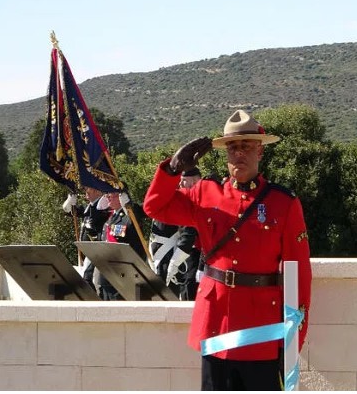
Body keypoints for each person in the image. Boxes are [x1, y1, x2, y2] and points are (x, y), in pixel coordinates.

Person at [143, 109, 312, 390]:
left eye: (246, 147)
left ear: (260, 151)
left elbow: (300, 275)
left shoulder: (283, 203)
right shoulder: (206, 193)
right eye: (233, 147)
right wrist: (172, 169)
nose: (239, 154)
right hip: (216, 324)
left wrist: (293, 336)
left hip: (261, 332)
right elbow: (154, 207)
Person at [149, 167, 202, 300]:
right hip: (183, 258)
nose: (180, 184)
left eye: (184, 181)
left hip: (195, 257)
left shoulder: (196, 201)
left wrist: (175, 261)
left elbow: (188, 233)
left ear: (196, 181)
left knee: (188, 297)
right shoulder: (184, 199)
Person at [98, 188, 149, 300]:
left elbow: (135, 218)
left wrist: (128, 205)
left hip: (124, 274)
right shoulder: (111, 217)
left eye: (112, 194)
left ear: (121, 196)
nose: (108, 196)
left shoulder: (130, 214)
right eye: (107, 193)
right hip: (108, 272)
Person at [61, 186, 111, 291]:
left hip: (96, 252)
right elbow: (68, 212)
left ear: (98, 191)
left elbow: (97, 216)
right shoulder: (88, 207)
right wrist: (70, 201)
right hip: (85, 252)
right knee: (87, 280)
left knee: (91, 281)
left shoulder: (102, 207)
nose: (86, 191)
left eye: (89, 188)